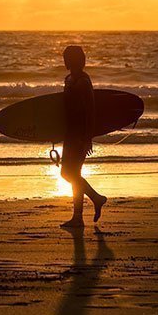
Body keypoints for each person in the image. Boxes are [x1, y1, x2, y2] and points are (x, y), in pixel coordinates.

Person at [60, 45, 107, 227]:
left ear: (75, 60)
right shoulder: (69, 79)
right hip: (70, 133)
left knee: (68, 173)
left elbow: (90, 110)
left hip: (79, 134)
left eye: (67, 57)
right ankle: (78, 217)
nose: (65, 61)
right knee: (72, 174)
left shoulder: (83, 81)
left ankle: (96, 199)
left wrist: (88, 138)